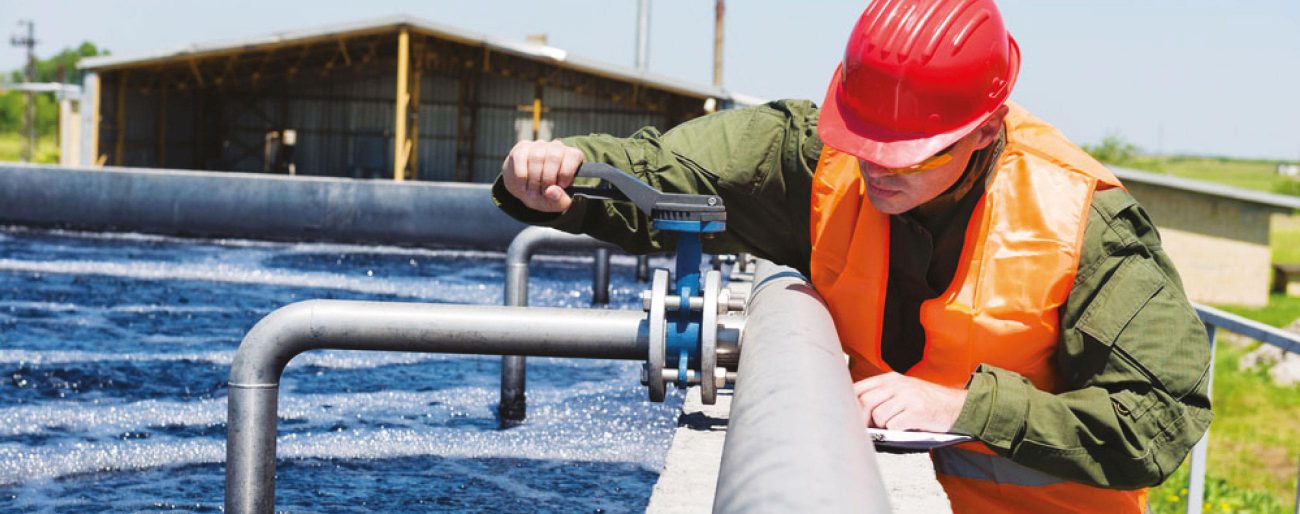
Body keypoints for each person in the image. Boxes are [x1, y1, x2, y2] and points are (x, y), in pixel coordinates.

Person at [492, 0, 1212, 511]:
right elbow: (672, 171)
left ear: (986, 130)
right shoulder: (816, 155)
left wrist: (967, 407)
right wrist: (567, 173)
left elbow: (1158, 419)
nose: (876, 166)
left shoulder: (1087, 223)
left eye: (909, 154)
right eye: (863, 137)